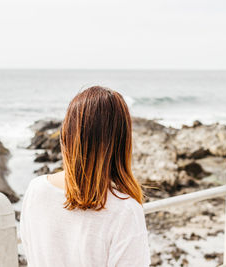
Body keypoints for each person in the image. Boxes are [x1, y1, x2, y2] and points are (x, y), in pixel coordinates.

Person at [20, 86, 150, 267]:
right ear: (121, 142)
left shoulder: (36, 189)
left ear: (67, 134)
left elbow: (30, 251)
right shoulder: (125, 211)